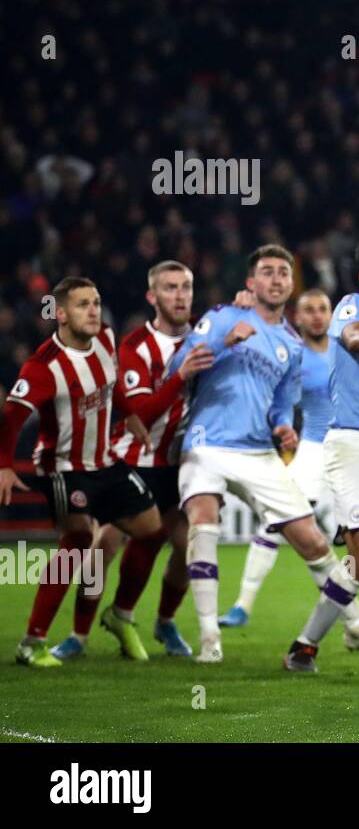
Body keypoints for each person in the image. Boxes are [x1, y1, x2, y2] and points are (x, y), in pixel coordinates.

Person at [173, 245, 359, 663]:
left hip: (258, 451)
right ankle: (209, 641)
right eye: (267, 272)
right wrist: (222, 342)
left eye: (282, 273)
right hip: (207, 441)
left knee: (313, 541)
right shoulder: (222, 317)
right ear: (251, 283)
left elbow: (281, 402)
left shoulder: (290, 345)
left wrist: (282, 425)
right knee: (204, 524)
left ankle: (355, 625)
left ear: (290, 285)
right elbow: (178, 366)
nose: (275, 279)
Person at [2, 278, 169, 668]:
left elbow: (113, 387)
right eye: (82, 305)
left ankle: (119, 614)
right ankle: (32, 641)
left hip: (106, 462)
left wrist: (129, 416)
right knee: (77, 540)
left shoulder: (107, 339)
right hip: (63, 468)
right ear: (60, 314)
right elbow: (11, 417)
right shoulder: (44, 366)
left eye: (96, 302)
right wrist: (5, 466)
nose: (93, 311)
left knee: (152, 531)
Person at [51, 262, 213, 661]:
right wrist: (181, 376)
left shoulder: (207, 335)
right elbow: (140, 414)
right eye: (171, 288)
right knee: (102, 546)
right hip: (132, 460)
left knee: (186, 547)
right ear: (152, 296)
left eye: (186, 288)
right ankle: (79, 634)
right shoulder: (135, 345)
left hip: (181, 464)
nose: (180, 296)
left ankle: (162, 621)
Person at [217, 288, 339, 628]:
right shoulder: (293, 354)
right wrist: (282, 425)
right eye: (309, 310)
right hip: (314, 449)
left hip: (352, 449)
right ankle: (242, 605)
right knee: (273, 523)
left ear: (331, 314)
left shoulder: (347, 349)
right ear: (297, 318)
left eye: (322, 309)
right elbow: (276, 399)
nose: (317, 315)